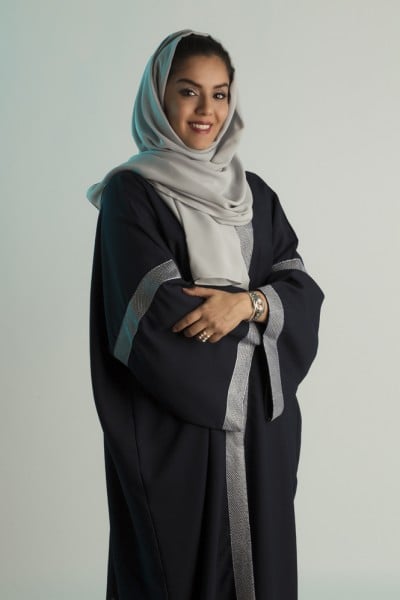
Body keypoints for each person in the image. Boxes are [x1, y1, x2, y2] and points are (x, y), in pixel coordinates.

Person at [87, 29, 324, 600]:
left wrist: (246, 303)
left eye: (219, 94)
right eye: (189, 91)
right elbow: (158, 319)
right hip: (176, 435)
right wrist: (259, 321)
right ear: (159, 97)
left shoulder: (255, 195)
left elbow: (300, 290)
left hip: (262, 436)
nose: (206, 110)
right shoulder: (131, 195)